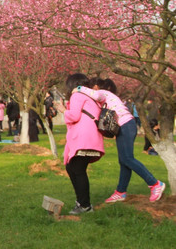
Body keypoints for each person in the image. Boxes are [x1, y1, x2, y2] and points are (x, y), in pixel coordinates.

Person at [76, 78, 165, 203]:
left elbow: (95, 95)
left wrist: (79, 88)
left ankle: (155, 184)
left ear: (95, 87)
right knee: (124, 161)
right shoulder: (107, 98)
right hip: (124, 126)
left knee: (127, 159)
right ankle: (120, 192)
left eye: (90, 88)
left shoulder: (103, 93)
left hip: (126, 125)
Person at [53, 73, 104, 215]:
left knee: (77, 169)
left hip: (84, 138)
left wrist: (63, 110)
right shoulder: (90, 97)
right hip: (90, 137)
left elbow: (74, 116)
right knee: (72, 167)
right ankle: (81, 202)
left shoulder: (77, 95)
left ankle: (85, 205)